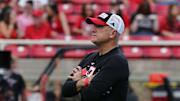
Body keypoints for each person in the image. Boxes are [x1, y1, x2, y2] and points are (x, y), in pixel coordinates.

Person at [62, 12, 129, 101]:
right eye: (94, 26)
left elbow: (89, 95)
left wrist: (78, 81)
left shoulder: (117, 61)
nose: (93, 30)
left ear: (112, 33)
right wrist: (84, 81)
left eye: (99, 26)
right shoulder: (89, 57)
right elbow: (65, 90)